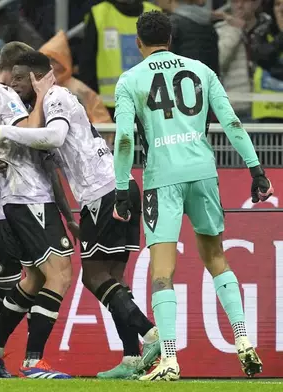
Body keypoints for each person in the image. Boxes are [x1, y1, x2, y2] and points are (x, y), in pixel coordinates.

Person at [113, 11, 270, 381]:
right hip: (203, 172)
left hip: (162, 177)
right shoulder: (201, 70)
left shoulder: (130, 79)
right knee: (216, 259)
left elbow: (123, 138)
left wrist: (122, 188)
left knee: (163, 272)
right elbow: (231, 121)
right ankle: (244, 340)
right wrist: (256, 170)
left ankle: (169, 358)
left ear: (138, 43)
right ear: (171, 38)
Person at [0, 51, 161, 380]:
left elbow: (53, 138)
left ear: (39, 76)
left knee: (93, 278)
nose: (16, 88)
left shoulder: (55, 96)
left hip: (102, 192)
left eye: (21, 80)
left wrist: (4, 132)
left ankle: (151, 335)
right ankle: (130, 357)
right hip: (119, 186)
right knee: (114, 279)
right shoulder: (51, 103)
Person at [0, 64, 75, 379]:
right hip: (29, 199)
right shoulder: (7, 100)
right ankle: (33, 362)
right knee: (59, 276)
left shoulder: (10, 102)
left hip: (20, 200)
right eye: (16, 77)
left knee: (32, 279)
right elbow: (39, 138)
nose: (20, 84)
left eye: (25, 78)